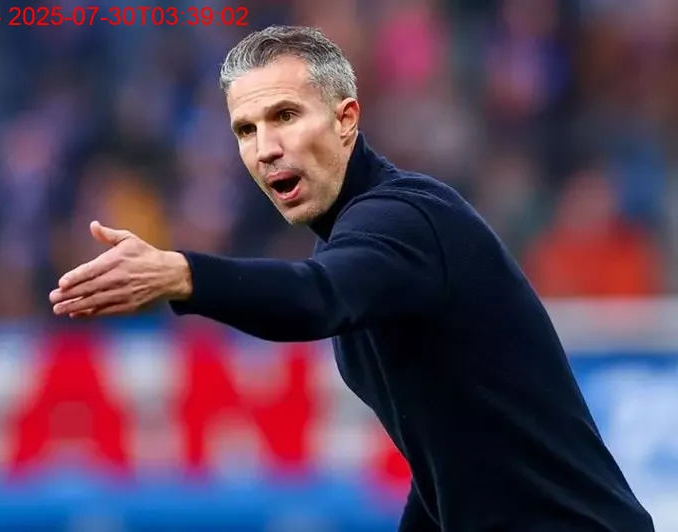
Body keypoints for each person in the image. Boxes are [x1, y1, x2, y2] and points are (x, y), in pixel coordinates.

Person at [49, 25, 654, 532]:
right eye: (246, 129)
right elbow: (446, 466)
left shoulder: (404, 219)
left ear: (345, 119)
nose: (265, 147)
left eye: (285, 115)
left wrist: (183, 274)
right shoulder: (361, 253)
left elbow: (313, 298)